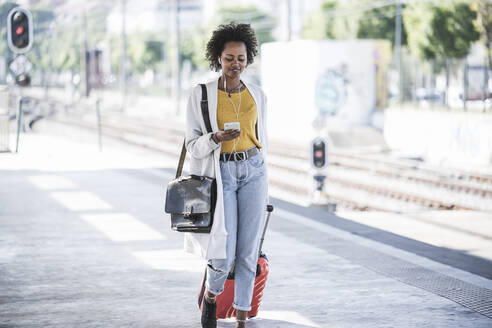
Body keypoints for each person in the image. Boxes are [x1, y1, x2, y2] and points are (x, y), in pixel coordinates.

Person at [184, 22, 268, 328]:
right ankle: (211, 295)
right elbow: (192, 145)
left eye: (241, 58)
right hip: (221, 174)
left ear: (249, 59)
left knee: (249, 252)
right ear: (219, 57)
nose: (236, 64)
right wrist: (215, 139)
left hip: (254, 171)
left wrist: (265, 177)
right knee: (223, 253)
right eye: (230, 58)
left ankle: (242, 318)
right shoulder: (201, 94)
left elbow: (262, 140)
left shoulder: (257, 95)